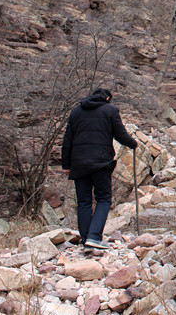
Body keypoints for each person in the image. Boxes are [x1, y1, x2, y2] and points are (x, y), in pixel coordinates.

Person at [61, 88, 137, 250]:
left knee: (84, 202)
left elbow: (67, 139)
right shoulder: (110, 110)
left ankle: (86, 239)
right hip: (101, 162)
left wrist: (66, 165)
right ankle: (94, 237)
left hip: (79, 163)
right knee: (103, 198)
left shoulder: (76, 111)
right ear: (108, 98)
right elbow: (120, 134)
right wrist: (133, 144)